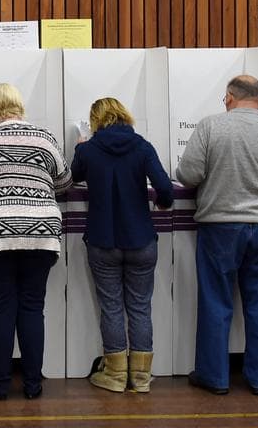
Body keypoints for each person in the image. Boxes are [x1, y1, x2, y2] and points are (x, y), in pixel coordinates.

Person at [175, 75, 258, 396]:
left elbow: (189, 174)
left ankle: (214, 377)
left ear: (230, 97)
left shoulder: (210, 127)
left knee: (216, 302)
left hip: (220, 228)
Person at [0, 83, 71, 400]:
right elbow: (64, 183)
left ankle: (1, 384)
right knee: (33, 307)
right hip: (41, 230)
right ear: (21, 106)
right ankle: (33, 385)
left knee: (1, 308)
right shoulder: (45, 138)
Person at [70, 97, 173, 394]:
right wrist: (162, 203)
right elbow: (164, 188)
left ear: (95, 121)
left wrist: (79, 146)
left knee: (112, 308)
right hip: (141, 239)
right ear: (124, 115)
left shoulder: (89, 150)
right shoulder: (141, 145)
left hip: (102, 241)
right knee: (140, 308)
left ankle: (115, 376)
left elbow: (73, 176)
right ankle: (140, 378)